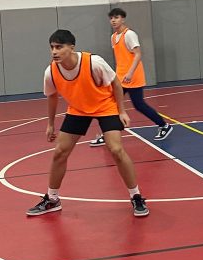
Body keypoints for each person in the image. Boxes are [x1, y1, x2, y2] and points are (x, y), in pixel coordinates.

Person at [27, 29, 149, 218]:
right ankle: (52, 199)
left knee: (116, 150)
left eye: (59, 47)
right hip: (78, 109)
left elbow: (116, 84)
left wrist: (122, 111)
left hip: (105, 105)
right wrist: (50, 124)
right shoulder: (50, 71)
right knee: (59, 152)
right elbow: (52, 97)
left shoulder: (93, 62)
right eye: (52, 47)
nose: (54, 52)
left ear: (71, 47)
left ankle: (136, 197)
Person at [90, 7, 172, 147]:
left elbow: (138, 54)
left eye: (116, 17)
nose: (113, 20)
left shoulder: (129, 35)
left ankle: (164, 125)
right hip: (120, 77)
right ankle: (108, 134)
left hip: (132, 76)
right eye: (111, 18)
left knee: (138, 105)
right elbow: (121, 58)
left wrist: (130, 73)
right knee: (112, 104)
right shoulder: (113, 37)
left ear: (123, 19)